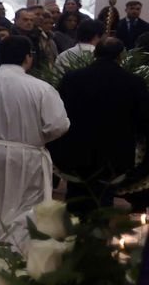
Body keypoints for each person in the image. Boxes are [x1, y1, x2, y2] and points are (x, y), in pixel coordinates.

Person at [0, 35, 70, 250]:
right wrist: (37, 139)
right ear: (28, 57)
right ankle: (13, 256)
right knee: (26, 207)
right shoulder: (41, 88)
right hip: (26, 155)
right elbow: (58, 125)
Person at [49, 38, 149, 210]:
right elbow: (143, 121)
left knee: (75, 197)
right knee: (103, 201)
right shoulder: (134, 82)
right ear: (121, 56)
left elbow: (58, 113)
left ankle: (74, 224)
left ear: (94, 54)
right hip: (114, 154)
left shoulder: (72, 78)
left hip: (76, 151)